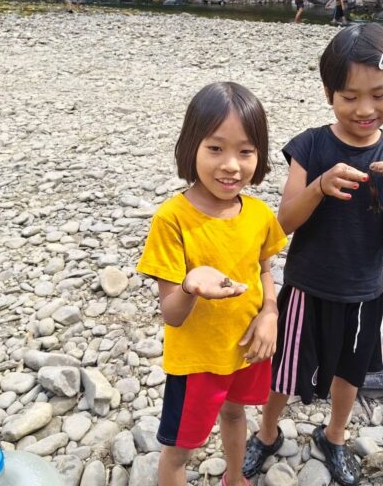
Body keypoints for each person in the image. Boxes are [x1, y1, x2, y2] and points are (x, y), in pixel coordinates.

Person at [242, 23, 383, 486]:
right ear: (329, 95)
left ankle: (335, 436)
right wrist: (320, 185)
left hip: (364, 292)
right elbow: (283, 222)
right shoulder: (311, 146)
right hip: (307, 286)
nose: (365, 109)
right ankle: (266, 434)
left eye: (379, 94)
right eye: (349, 97)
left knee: (350, 371)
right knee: (284, 371)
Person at [137, 82, 287, 486]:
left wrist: (270, 313)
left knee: (236, 414)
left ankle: (234, 478)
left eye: (246, 151)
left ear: (261, 154)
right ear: (192, 148)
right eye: (216, 148)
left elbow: (265, 269)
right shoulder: (173, 219)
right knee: (179, 451)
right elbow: (171, 314)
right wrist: (189, 285)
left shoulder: (257, 214)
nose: (232, 166)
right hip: (197, 364)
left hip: (245, 350)